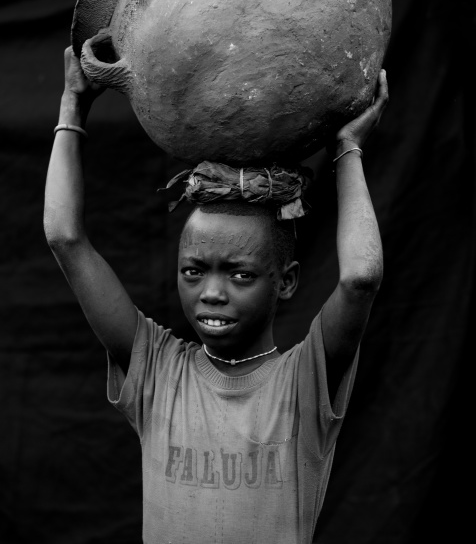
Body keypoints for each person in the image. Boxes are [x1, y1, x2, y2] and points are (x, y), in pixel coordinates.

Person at [44, 46, 389, 544]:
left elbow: (361, 277)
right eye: (193, 271)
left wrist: (348, 149)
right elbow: (65, 239)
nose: (211, 293)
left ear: (286, 281)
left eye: (240, 275)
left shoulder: (306, 381)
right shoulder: (157, 371)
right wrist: (71, 106)